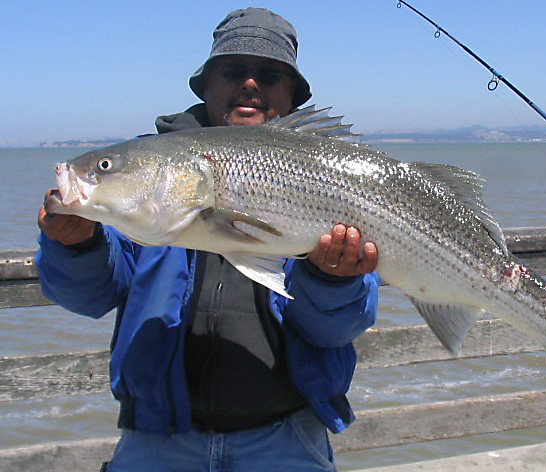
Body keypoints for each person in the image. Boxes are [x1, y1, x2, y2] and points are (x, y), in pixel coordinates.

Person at [36, 8, 380, 472]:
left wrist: (333, 279)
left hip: (286, 436)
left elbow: (336, 330)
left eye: (271, 75)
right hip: (158, 438)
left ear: (292, 95)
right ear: (207, 84)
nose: (251, 84)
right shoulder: (154, 171)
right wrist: (75, 246)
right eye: (234, 70)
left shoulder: (331, 176)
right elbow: (89, 295)